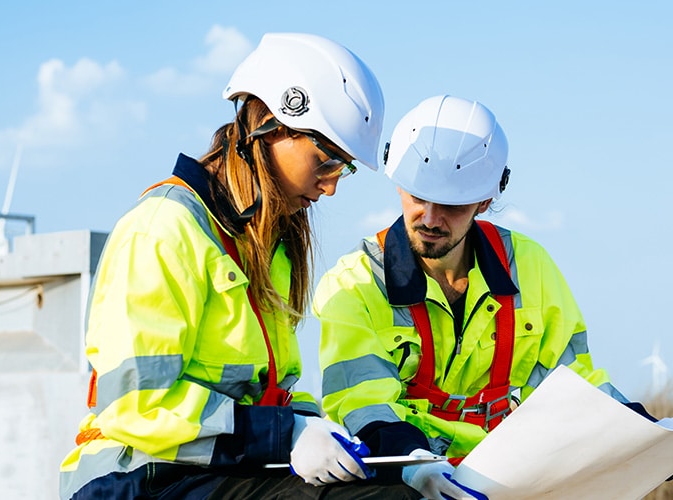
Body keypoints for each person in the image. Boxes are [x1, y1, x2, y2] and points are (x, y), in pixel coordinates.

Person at [59, 32, 421, 499]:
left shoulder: (268, 247)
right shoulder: (163, 229)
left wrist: (329, 436)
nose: (330, 188)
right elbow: (138, 404)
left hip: (216, 469)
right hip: (137, 476)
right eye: (327, 161)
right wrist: (286, 433)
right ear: (271, 125)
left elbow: (272, 392)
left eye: (342, 169)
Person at [313, 95, 658, 500]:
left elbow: (575, 385)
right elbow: (363, 405)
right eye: (418, 197)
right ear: (398, 183)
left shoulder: (528, 264)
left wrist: (648, 434)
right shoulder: (354, 283)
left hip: (519, 477)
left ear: (485, 201)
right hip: (413, 478)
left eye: (451, 205)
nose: (429, 218)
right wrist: (418, 469)